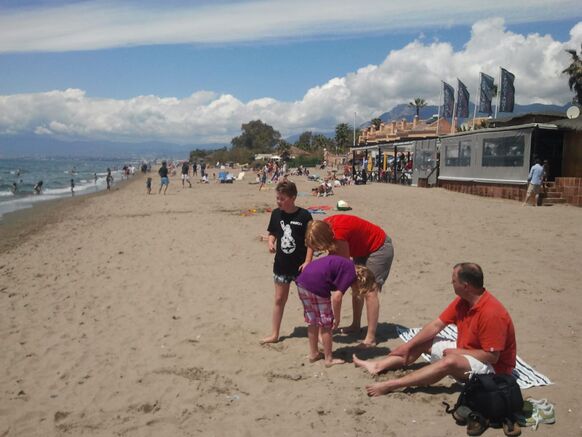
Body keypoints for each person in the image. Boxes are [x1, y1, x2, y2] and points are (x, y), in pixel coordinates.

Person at [353, 263, 517, 397]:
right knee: (423, 341)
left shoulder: (491, 313)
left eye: (454, 280)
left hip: (494, 370)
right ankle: (378, 366)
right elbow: (436, 325)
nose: (451, 283)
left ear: (465, 286)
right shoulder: (464, 301)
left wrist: (457, 352)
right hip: (469, 349)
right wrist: (408, 346)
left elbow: (493, 357)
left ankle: (392, 385)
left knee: (450, 361)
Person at [305, 215, 394, 347]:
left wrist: (337, 291)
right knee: (356, 288)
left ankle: (370, 337)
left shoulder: (339, 235)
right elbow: (311, 241)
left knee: (369, 291)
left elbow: (344, 267)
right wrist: (308, 261)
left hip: (378, 248)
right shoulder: (319, 227)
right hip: (360, 249)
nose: (319, 250)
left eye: (320, 247)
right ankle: (355, 325)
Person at [296, 255, 375, 366]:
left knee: (312, 320)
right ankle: (329, 359)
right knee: (326, 324)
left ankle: (313, 353)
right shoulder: (351, 274)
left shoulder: (347, 265)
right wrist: (336, 318)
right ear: (361, 281)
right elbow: (337, 298)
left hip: (302, 282)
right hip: (317, 286)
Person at [261, 181, 313, 344]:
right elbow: (273, 232)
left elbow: (311, 241)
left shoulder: (304, 215)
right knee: (278, 300)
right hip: (281, 266)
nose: (278, 201)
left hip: (301, 268)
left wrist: (308, 261)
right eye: (277, 198)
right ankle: (274, 334)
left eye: (282, 198)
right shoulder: (276, 214)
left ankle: (315, 333)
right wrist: (270, 242)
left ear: (293, 197)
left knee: (308, 302)